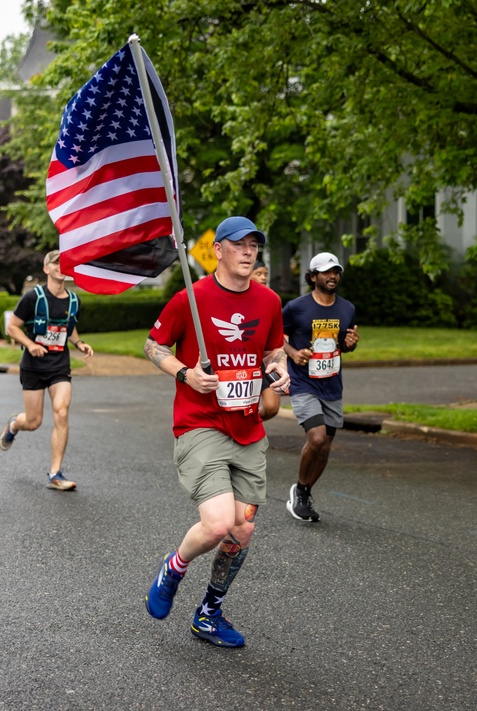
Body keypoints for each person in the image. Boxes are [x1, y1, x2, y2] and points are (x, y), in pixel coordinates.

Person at [142, 215, 289, 649]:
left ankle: (208, 613)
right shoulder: (191, 297)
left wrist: (278, 367)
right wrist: (186, 373)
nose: (248, 252)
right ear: (218, 250)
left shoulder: (269, 301)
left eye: (254, 246)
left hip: (248, 427)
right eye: (239, 245)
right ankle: (175, 566)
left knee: (242, 530)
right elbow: (153, 345)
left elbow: (273, 348)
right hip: (200, 425)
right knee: (219, 522)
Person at [0, 250, 94, 490]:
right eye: (56, 263)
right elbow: (12, 327)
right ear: (46, 269)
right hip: (33, 366)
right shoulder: (33, 298)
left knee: (61, 412)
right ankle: (13, 425)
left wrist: (79, 343)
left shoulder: (74, 300)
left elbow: (68, 327)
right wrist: (30, 345)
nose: (61, 266)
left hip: (59, 364)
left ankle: (55, 474)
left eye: (65, 263)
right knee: (33, 421)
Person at [282, 252, 359, 523]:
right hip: (304, 383)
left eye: (336, 271)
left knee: (325, 446)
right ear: (313, 277)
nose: (332, 276)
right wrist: (292, 353)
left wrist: (351, 345)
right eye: (326, 272)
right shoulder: (296, 307)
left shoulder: (346, 309)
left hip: (332, 385)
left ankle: (303, 491)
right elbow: (276, 336)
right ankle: (301, 491)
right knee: (316, 438)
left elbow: (344, 345)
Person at [250, 262, 280, 421]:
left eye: (265, 274)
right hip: (246, 359)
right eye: (259, 273)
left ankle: (248, 423)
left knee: (271, 407)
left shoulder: (271, 299)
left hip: (267, 361)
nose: (263, 277)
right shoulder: (240, 298)